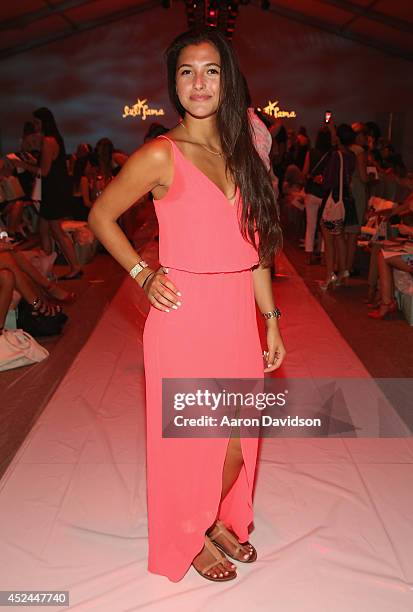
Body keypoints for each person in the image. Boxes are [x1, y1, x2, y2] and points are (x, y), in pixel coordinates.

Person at [89, 28, 286, 583]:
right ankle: (192, 531)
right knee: (194, 444)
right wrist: (142, 273)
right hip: (185, 318)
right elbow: (102, 216)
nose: (199, 83)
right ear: (173, 83)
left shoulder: (245, 153)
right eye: (186, 72)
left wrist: (270, 319)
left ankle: (215, 518)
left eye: (211, 71)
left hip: (235, 318)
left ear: (229, 80)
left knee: (236, 444)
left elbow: (259, 247)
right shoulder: (160, 154)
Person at [14, 108, 82, 279]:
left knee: (55, 230)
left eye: (37, 122)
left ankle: (74, 267)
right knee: (44, 229)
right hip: (54, 189)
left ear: (44, 122)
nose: (35, 126)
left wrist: (21, 163)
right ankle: (49, 269)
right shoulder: (53, 139)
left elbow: (43, 171)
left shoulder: (48, 141)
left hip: (52, 191)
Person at [319, 123, 357, 290]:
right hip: (346, 200)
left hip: (333, 200)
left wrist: (321, 179)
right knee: (340, 237)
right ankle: (343, 272)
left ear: (339, 138)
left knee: (328, 239)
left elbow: (330, 180)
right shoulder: (352, 155)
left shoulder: (336, 155)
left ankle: (330, 275)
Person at [302, 126, 332, 263]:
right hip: (325, 194)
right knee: (325, 226)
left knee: (311, 225)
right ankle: (324, 256)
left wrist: (311, 177)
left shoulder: (311, 152)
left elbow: (304, 173)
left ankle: (308, 255)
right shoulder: (332, 154)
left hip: (312, 193)